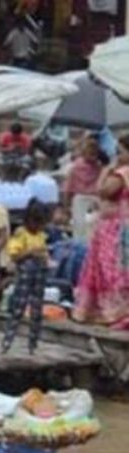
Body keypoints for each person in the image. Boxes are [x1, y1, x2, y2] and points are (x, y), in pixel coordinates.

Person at [73, 134, 129, 326]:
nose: (118, 156)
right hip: (119, 226)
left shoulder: (122, 174)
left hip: (115, 229)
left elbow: (103, 191)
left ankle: (112, 311)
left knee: (110, 269)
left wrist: (106, 171)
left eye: (120, 152)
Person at [2, 200, 51, 354]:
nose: (38, 227)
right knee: (18, 308)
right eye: (36, 222)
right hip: (25, 275)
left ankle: (33, 345)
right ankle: (7, 342)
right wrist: (31, 253)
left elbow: (45, 253)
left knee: (37, 311)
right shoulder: (21, 233)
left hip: (40, 274)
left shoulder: (42, 236)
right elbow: (15, 256)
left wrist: (45, 258)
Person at [63, 137, 103, 204]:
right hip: (80, 197)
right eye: (91, 153)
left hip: (93, 198)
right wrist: (66, 203)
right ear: (84, 153)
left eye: (95, 154)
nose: (94, 157)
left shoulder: (98, 166)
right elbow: (68, 186)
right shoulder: (76, 166)